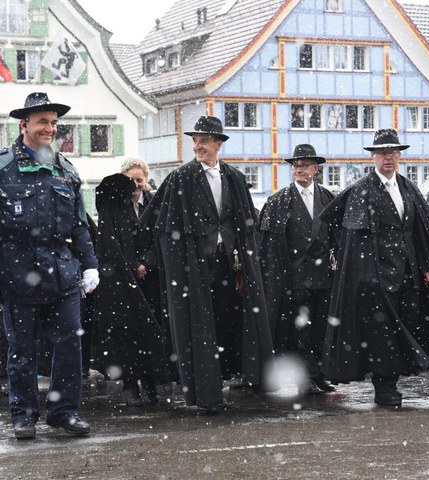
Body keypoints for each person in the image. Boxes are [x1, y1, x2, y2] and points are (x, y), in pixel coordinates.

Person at [319, 128, 429, 407]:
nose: (389, 158)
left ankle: (397, 377)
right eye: (383, 153)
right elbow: (349, 233)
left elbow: (421, 230)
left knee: (405, 326)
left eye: (393, 153)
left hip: (407, 274)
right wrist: (367, 273)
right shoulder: (362, 191)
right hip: (377, 276)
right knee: (382, 334)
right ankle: (385, 387)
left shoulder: (407, 188)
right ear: (373, 157)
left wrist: (426, 264)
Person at [140, 115, 274, 412]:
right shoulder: (181, 178)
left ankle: (232, 377)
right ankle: (206, 394)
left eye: (203, 141)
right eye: (195, 141)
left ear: (217, 143)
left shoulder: (235, 178)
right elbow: (157, 224)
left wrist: (242, 265)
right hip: (196, 269)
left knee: (229, 322)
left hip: (229, 265)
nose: (198, 146)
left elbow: (245, 224)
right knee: (200, 327)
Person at [0, 92, 99, 439]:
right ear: (24, 124)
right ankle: (24, 415)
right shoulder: (3, 168)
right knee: (22, 350)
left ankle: (63, 412)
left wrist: (90, 265)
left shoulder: (65, 170)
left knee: (70, 343)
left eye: (54, 123)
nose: (50, 128)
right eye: (43, 121)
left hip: (62, 271)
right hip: (15, 270)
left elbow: (79, 224)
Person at [94, 159, 173, 406]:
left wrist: (146, 263)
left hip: (150, 278)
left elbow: (160, 238)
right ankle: (130, 383)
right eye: (131, 180)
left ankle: (151, 381)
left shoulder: (154, 205)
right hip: (122, 279)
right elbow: (112, 242)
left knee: (152, 330)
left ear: (146, 180)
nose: (136, 185)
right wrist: (130, 267)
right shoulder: (114, 207)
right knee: (127, 332)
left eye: (139, 179)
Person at [259, 144, 336, 395]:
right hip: (294, 276)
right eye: (295, 166)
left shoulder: (328, 198)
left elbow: (336, 237)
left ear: (315, 169)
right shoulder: (278, 201)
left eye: (304, 165)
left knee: (321, 328)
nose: (299, 170)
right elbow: (269, 246)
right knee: (299, 330)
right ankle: (307, 375)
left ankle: (320, 374)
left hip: (323, 276)